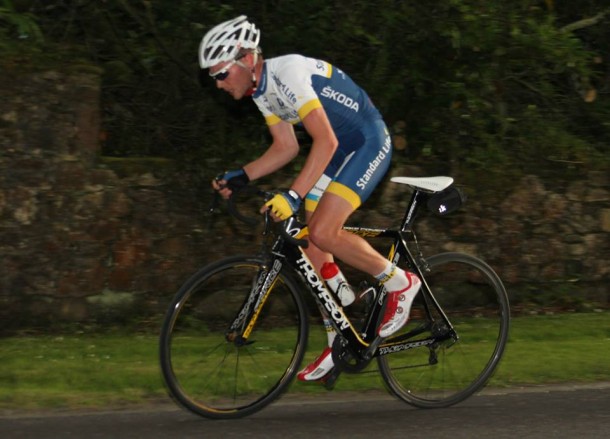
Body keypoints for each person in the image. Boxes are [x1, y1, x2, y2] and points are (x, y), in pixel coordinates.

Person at [201, 15, 421, 382]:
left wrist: (292, 193)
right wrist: (243, 175)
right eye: (212, 77)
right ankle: (339, 332)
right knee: (307, 239)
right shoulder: (262, 91)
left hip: (366, 143)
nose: (218, 84)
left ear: (245, 59)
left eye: (220, 74)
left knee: (322, 231)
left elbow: (327, 141)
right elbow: (285, 147)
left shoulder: (287, 74)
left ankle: (400, 281)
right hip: (338, 151)